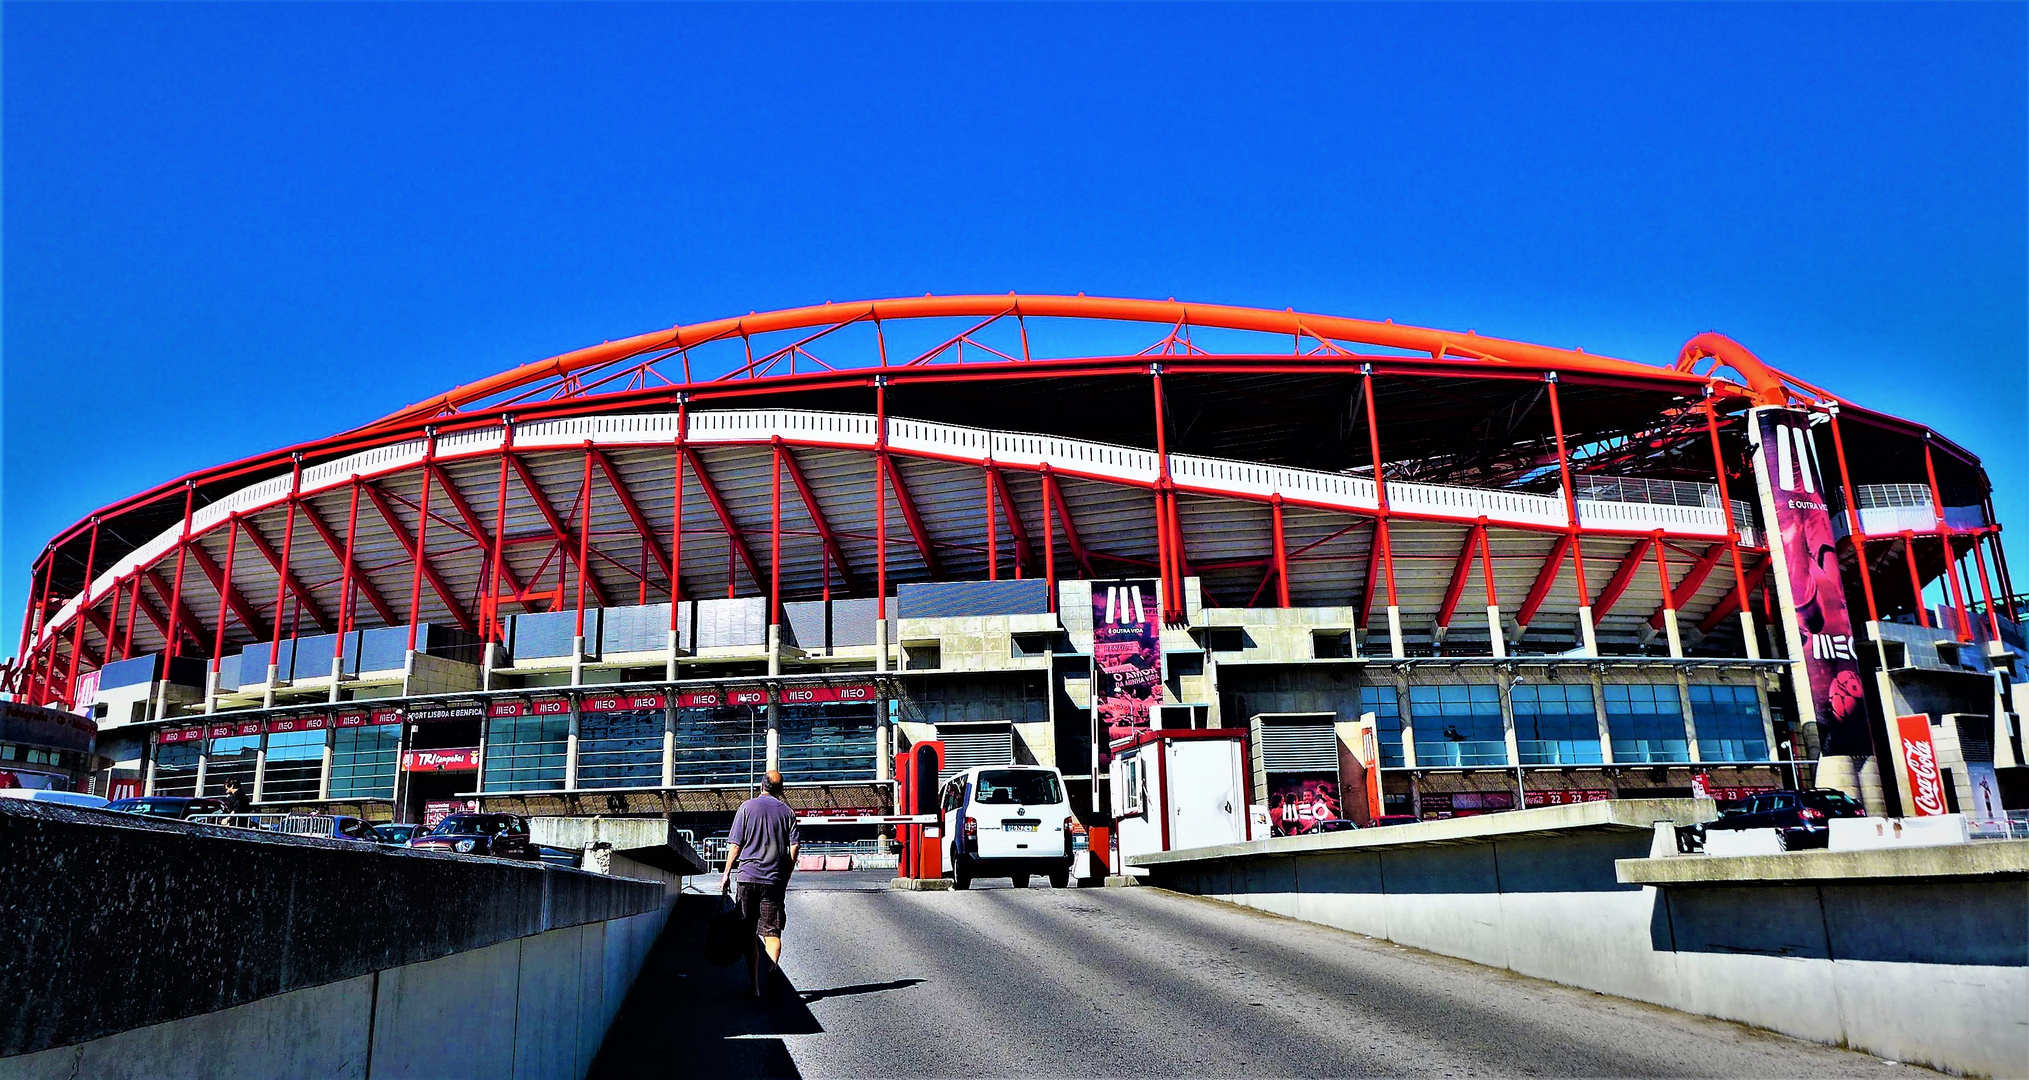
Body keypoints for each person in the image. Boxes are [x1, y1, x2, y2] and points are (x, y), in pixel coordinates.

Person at [719, 770, 800, 999]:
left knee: (748, 933)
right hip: (773, 880)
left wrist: (725, 873)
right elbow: (794, 847)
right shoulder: (788, 813)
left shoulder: (746, 807)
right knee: (772, 931)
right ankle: (772, 969)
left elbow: (735, 844)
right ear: (780, 790)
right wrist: (786, 874)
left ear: (761, 785)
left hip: (747, 877)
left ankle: (754, 986)